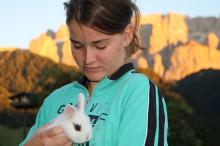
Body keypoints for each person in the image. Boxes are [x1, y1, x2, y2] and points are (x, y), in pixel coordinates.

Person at [19, 0, 168, 146]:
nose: (87, 59)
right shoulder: (54, 101)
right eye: (77, 46)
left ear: (127, 35)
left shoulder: (138, 91)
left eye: (100, 46)